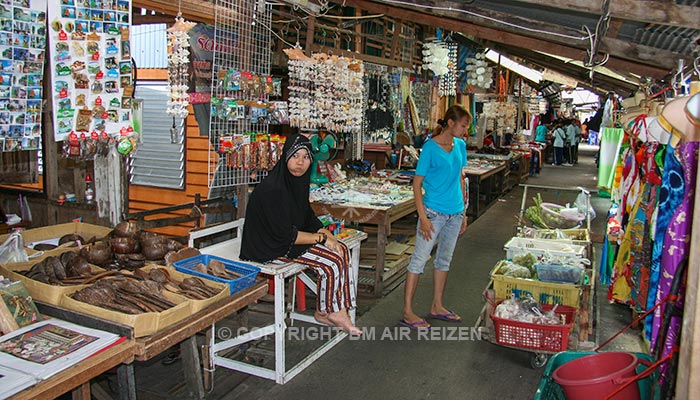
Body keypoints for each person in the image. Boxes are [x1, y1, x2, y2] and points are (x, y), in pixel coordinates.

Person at [240, 134, 361, 335]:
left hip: (287, 237)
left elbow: (306, 216)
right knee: (331, 261)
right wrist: (321, 239)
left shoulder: (297, 183)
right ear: (286, 156)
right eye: (296, 155)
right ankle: (335, 311)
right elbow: (284, 235)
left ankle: (327, 310)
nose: (300, 162)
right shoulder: (273, 189)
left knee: (341, 249)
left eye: (306, 157)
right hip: (267, 246)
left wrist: (327, 234)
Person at [401, 105, 470, 330]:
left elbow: (460, 179)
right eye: (463, 125)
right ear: (450, 123)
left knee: (444, 261)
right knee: (419, 260)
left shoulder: (460, 146)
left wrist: (464, 212)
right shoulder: (430, 148)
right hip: (433, 213)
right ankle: (408, 312)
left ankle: (437, 306)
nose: (465, 130)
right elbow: (417, 184)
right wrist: (423, 217)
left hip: (455, 212)